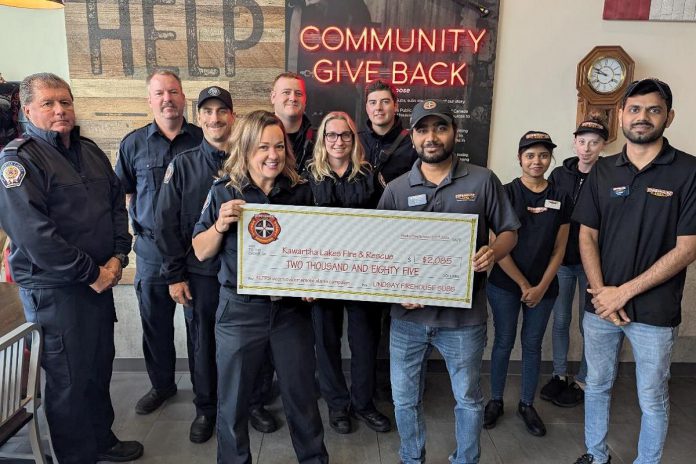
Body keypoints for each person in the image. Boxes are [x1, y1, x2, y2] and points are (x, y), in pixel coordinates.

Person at [0, 73, 142, 463]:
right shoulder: (19, 160)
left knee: (98, 369)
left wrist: (117, 258)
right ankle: (77, 456)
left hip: (99, 282)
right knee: (67, 380)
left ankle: (102, 440)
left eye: (65, 101)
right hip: (56, 290)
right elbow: (35, 236)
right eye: (48, 103)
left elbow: (117, 208)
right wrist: (92, 273)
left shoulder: (90, 150)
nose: (60, 110)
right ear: (27, 110)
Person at [378, 99, 519, 464]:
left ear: (454, 133)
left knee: (469, 399)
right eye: (423, 129)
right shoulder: (395, 189)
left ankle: (466, 459)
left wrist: (494, 251)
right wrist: (395, 290)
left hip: (463, 319)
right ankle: (411, 457)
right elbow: (380, 250)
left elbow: (508, 232)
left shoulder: (482, 179)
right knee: (405, 399)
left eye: (440, 128)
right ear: (413, 138)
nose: (432, 137)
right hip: (407, 320)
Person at [192, 110, 328, 464]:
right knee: (233, 401)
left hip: (290, 313)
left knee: (301, 398)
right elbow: (201, 250)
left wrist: (312, 283)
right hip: (239, 310)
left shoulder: (301, 191)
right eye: (263, 147)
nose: (273, 155)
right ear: (246, 149)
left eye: (279, 146)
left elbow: (314, 250)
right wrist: (220, 225)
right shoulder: (224, 191)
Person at [572, 78, 696, 464]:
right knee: (596, 384)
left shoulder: (689, 171)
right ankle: (596, 454)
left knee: (652, 396)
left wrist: (622, 293)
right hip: (601, 307)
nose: (643, 117)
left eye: (654, 110)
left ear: (669, 117)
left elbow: (688, 247)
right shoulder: (604, 171)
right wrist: (602, 293)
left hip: (655, 312)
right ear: (622, 115)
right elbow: (587, 236)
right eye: (635, 109)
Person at [115, 70, 203, 415]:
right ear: (150, 100)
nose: (167, 99)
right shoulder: (133, 143)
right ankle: (162, 386)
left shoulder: (202, 140)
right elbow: (122, 194)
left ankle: (204, 393)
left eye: (174, 92)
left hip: (196, 249)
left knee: (199, 325)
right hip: (151, 251)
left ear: (183, 98)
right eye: (159, 93)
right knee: (155, 323)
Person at [155, 86, 239, 443]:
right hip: (200, 275)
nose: (215, 117)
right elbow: (165, 225)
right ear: (199, 116)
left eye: (222, 110)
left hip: (243, 274)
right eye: (208, 111)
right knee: (202, 343)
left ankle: (252, 404)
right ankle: (206, 409)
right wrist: (174, 276)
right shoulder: (183, 164)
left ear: (233, 116)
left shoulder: (248, 161)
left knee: (248, 341)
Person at [305, 111, 390, 435]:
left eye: (345, 135)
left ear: (354, 140)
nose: (338, 141)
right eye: (332, 135)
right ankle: (338, 406)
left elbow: (389, 224)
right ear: (322, 140)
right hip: (322, 278)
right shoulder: (308, 176)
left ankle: (364, 404)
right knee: (325, 344)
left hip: (363, 277)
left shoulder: (370, 175)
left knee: (365, 343)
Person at [483, 131, 571, 437]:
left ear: (550, 159)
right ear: (520, 158)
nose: (537, 161)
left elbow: (560, 248)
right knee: (503, 342)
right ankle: (495, 400)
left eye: (543, 155)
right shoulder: (505, 193)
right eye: (530, 155)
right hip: (505, 284)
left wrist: (542, 286)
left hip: (544, 286)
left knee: (532, 345)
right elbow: (497, 245)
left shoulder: (562, 196)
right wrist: (523, 283)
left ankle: (526, 404)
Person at [540, 119, 608, 408]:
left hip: (594, 264)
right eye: (582, 141)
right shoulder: (559, 174)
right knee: (561, 320)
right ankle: (558, 374)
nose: (587, 148)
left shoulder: (609, 174)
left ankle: (584, 379)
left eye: (594, 142)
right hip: (563, 261)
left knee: (589, 324)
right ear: (574, 143)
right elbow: (550, 212)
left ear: (603, 145)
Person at [358, 79, 418, 185]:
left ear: (395, 106)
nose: (378, 108)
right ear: (367, 108)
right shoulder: (355, 142)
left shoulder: (413, 144)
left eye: (385, 102)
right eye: (373, 103)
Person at [271, 72, 314, 174]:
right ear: (273, 97)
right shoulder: (255, 135)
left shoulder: (320, 140)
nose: (293, 98)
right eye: (286, 92)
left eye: (298, 94)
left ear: (305, 100)